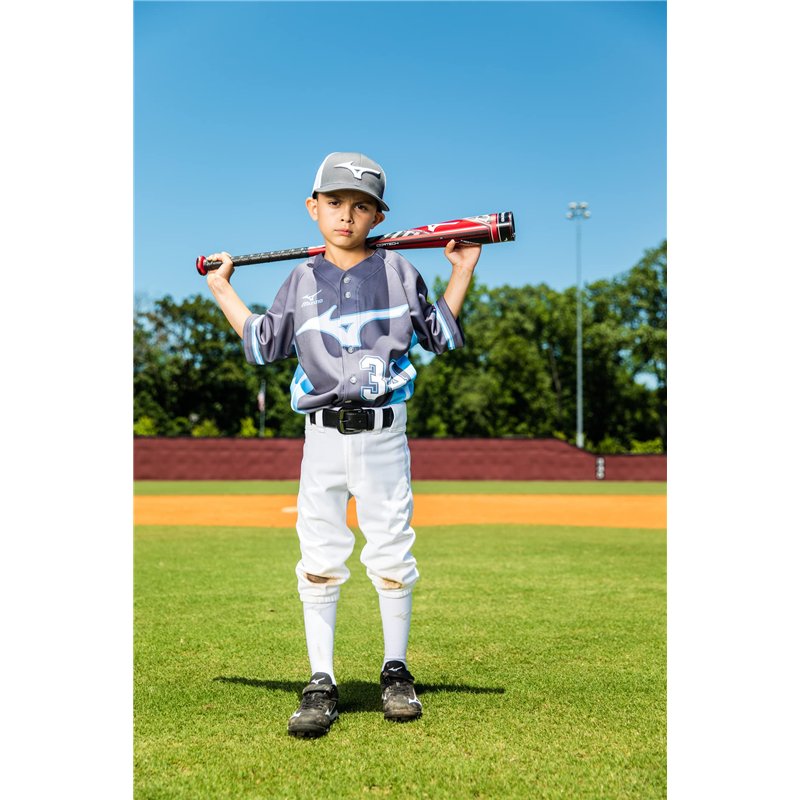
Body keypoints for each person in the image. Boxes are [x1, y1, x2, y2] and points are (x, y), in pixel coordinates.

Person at [205, 151, 481, 738]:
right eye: (334, 203)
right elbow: (263, 343)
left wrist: (461, 270)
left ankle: (395, 670)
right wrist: (222, 288)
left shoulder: (401, 272)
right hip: (323, 437)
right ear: (313, 208)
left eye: (361, 206)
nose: (346, 216)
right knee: (321, 555)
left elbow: (441, 336)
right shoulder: (300, 279)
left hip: (385, 431)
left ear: (377, 217)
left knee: (391, 553)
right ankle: (321, 680)